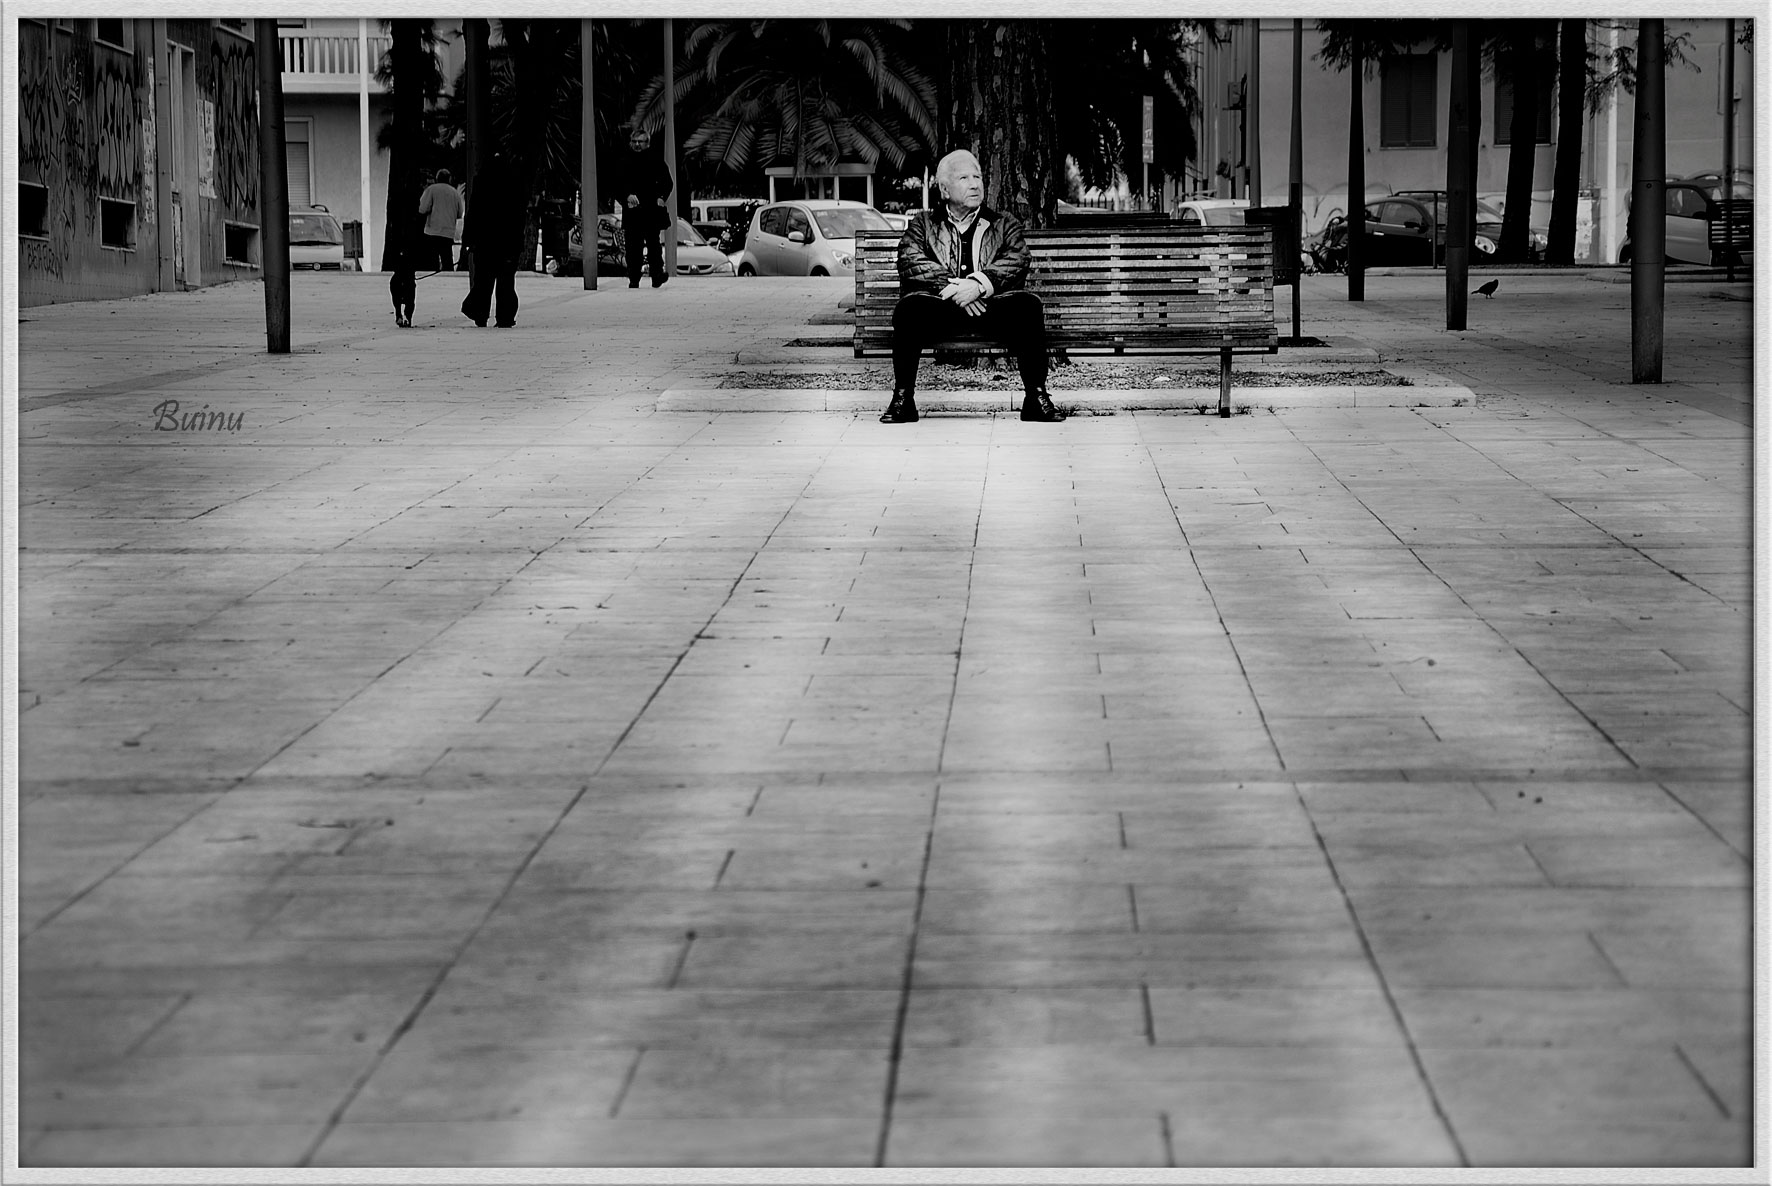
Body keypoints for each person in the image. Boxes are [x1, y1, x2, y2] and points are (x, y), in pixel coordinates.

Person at [884, 149, 1062, 424]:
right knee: (909, 309)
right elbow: (910, 260)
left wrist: (978, 286)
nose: (974, 184)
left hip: (991, 310)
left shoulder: (1003, 223)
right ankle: (903, 399)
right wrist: (958, 289)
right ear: (945, 189)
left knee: (1028, 306)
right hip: (942, 310)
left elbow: (1018, 259)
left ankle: (1036, 398)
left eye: (977, 177)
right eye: (964, 178)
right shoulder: (923, 224)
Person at [460, 153, 523, 328]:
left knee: (483, 280)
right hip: (507, 242)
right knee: (506, 282)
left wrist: (468, 240)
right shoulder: (513, 182)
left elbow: (473, 213)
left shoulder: (482, 182)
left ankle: (480, 314)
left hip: (485, 242)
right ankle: (505, 317)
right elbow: (518, 216)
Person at [621, 128, 674, 289]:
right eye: (634, 142)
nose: (637, 145)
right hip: (633, 212)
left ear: (647, 143)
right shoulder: (624, 160)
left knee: (654, 245)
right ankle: (634, 278)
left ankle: (657, 275)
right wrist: (626, 196)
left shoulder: (656, 160)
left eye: (640, 142)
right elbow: (616, 183)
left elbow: (667, 182)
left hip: (651, 211)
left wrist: (661, 198)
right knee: (633, 247)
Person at [417, 168, 463, 273]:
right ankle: (448, 277)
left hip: (432, 231)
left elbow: (422, 209)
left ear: (437, 178)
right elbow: (460, 213)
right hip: (448, 232)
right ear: (449, 179)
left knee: (432, 260)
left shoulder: (431, 190)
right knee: (447, 259)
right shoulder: (454, 192)